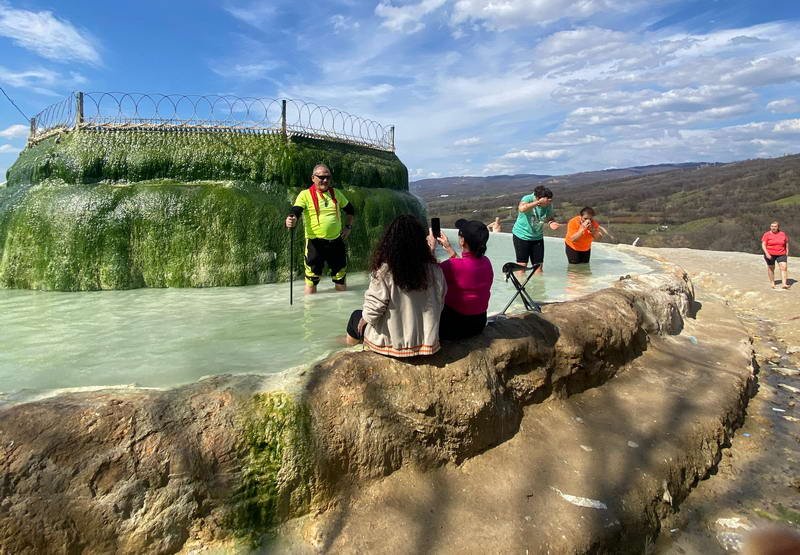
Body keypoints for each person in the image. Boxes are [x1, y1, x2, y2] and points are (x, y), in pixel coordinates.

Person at [345, 215, 446, 357]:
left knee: (355, 317)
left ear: (390, 242)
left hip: (392, 345)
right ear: (421, 242)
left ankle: (350, 353)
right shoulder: (435, 270)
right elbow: (441, 301)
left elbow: (374, 309)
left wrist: (364, 319)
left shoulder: (386, 272)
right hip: (427, 343)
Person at [285, 164, 355, 294]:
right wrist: (291, 219)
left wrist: (348, 227)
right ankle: (310, 312)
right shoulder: (305, 195)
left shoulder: (336, 194)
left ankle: (342, 308)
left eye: (328, 177)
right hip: (314, 244)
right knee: (311, 281)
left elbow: (350, 210)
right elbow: (296, 210)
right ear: (313, 178)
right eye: (321, 177)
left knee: (340, 279)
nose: (325, 180)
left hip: (336, 242)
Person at [434, 219, 494, 340]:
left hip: (453, 327)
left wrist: (431, 249)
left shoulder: (451, 266)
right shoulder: (486, 262)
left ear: (462, 241)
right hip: (478, 324)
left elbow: (428, 274)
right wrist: (449, 248)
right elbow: (466, 267)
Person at [512, 185, 560, 275]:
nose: (549, 203)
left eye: (550, 200)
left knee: (538, 267)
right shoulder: (528, 198)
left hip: (537, 237)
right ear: (538, 198)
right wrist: (537, 203)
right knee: (522, 266)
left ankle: (539, 288)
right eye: (547, 201)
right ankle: (520, 285)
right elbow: (522, 208)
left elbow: (550, 217)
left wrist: (551, 222)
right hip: (521, 236)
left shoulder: (549, 204)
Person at [761, 221, 790, 289]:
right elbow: (763, 244)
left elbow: (786, 243)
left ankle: (784, 284)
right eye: (772, 226)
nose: (773, 228)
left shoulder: (782, 234)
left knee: (784, 267)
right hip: (770, 254)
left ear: (778, 227)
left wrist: (787, 252)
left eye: (775, 226)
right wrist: (767, 253)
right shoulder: (767, 234)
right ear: (770, 227)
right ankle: (772, 283)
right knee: (771, 268)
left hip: (781, 253)